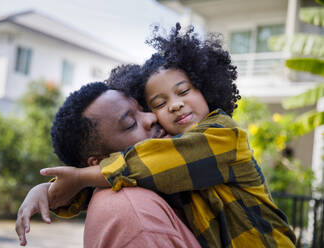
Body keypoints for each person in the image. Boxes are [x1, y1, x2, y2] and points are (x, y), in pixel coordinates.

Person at [44, 24, 296, 247]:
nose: (174, 105)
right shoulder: (154, 161)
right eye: (158, 104)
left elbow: (145, 164)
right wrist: (49, 193)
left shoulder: (224, 135)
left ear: (206, 88)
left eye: (184, 91)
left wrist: (78, 177)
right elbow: (118, 177)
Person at [16, 81, 201, 248]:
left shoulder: (145, 182)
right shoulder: (137, 218)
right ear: (98, 162)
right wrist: (51, 190)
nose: (151, 117)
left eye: (141, 108)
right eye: (130, 124)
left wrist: (48, 190)